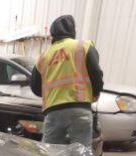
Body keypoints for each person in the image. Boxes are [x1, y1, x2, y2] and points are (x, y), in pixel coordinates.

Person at [31, 15, 104, 147]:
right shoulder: (83, 47)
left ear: (52, 33)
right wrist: (96, 92)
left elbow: (35, 87)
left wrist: (53, 94)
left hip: (53, 111)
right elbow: (96, 74)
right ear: (72, 31)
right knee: (81, 152)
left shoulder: (44, 56)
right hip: (80, 108)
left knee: (51, 153)